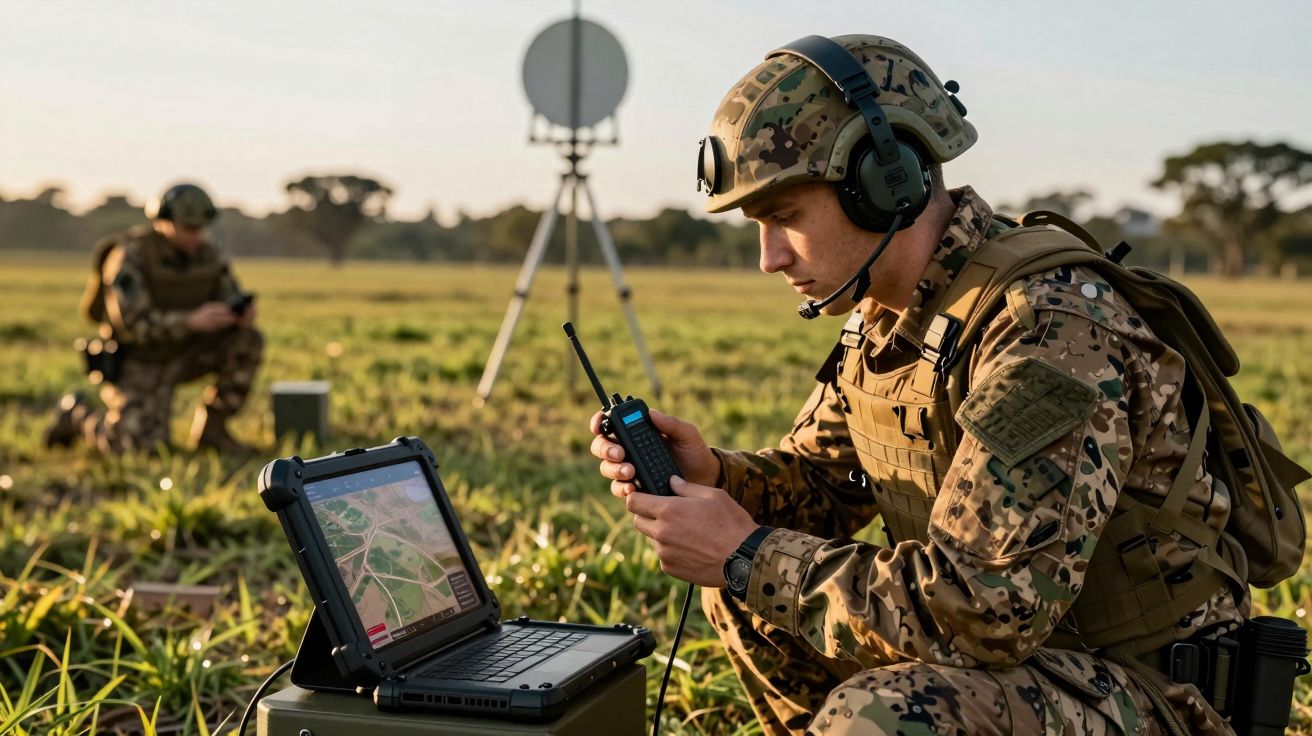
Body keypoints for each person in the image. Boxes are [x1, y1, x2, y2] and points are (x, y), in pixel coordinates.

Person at [588, 35, 1270, 735]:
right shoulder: (889, 317)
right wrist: (716, 478)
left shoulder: (1049, 333)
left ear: (886, 183)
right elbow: (825, 486)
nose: (768, 258)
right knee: (742, 584)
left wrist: (745, 551)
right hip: (1030, 673)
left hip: (1155, 697)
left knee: (861, 688)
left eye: (786, 218)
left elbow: (983, 609)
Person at [45, 183, 263, 454]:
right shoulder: (130, 256)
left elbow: (229, 296)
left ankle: (213, 431)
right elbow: (133, 326)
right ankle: (77, 417)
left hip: (187, 352)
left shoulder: (209, 256)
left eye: (200, 228)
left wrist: (237, 317)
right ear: (164, 221)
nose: (196, 236)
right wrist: (189, 322)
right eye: (188, 228)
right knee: (136, 447)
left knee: (247, 340)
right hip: (139, 360)